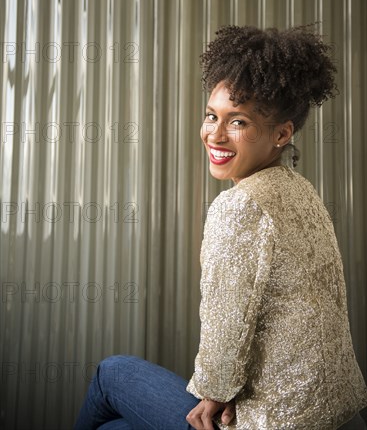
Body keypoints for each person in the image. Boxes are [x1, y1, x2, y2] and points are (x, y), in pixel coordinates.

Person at [74, 25, 367, 430]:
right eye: (212, 115)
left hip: (276, 419)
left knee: (112, 373)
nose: (215, 133)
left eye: (239, 122)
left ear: (282, 134)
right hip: (338, 413)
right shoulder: (301, 191)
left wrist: (215, 393)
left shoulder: (240, 204)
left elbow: (228, 318)